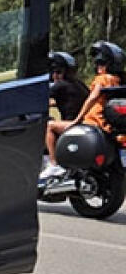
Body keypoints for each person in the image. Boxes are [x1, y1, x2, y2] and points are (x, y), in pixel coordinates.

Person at [39, 41, 124, 181]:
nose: (97, 67)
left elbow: (93, 97)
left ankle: (54, 164)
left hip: (90, 122)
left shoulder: (101, 79)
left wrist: (78, 119)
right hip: (103, 124)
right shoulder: (115, 81)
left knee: (49, 126)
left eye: (100, 64)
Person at [48, 51, 89, 121]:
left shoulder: (61, 85)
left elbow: (39, 97)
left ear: (67, 72)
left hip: (70, 125)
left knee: (48, 124)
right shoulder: (79, 84)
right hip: (82, 123)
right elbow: (70, 101)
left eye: (58, 72)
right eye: (52, 72)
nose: (54, 75)